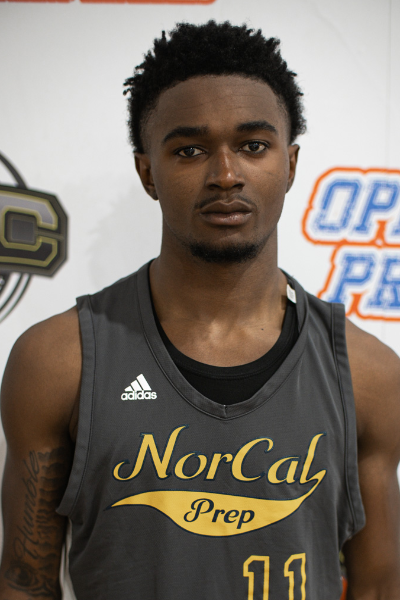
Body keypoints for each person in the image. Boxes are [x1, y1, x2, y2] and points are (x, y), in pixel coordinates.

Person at [1, 20, 399, 600]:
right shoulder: (58, 361)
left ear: (290, 164)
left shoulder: (367, 373)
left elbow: (379, 587)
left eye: (253, 145)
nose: (226, 175)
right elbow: (25, 582)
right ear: (147, 172)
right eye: (190, 150)